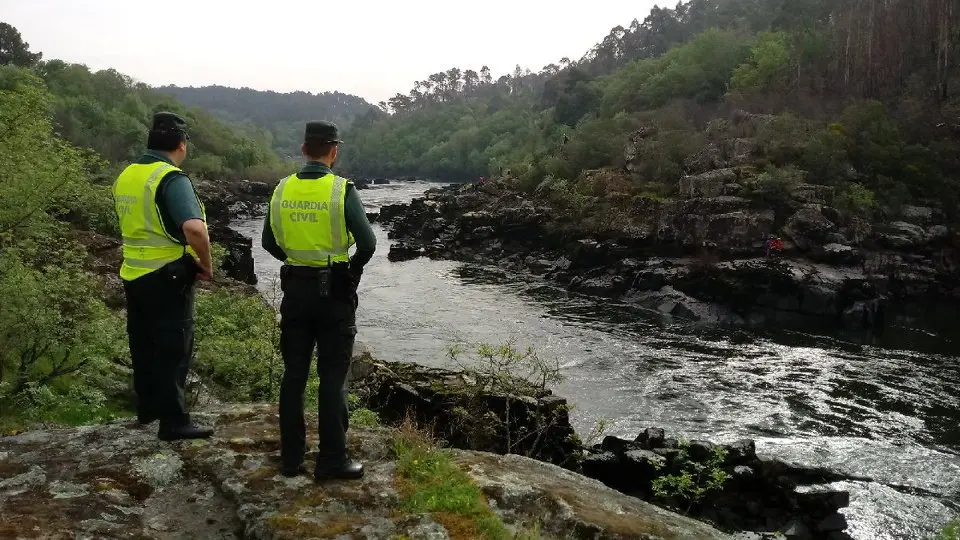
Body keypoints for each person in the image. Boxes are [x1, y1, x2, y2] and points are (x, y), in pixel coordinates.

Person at [261, 121, 377, 481]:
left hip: (295, 291)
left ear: (303, 149)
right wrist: (350, 271)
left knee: (293, 374)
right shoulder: (341, 190)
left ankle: (292, 459)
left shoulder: (281, 189)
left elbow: (267, 242)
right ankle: (332, 459)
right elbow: (368, 243)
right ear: (333, 151)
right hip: (334, 295)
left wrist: (296, 262)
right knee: (332, 377)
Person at [112, 111, 214, 441]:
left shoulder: (127, 175)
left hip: (133, 272)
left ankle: (148, 409)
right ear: (181, 146)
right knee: (174, 346)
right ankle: (174, 421)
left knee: (143, 342)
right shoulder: (171, 178)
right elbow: (194, 228)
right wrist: (205, 262)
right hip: (166, 276)